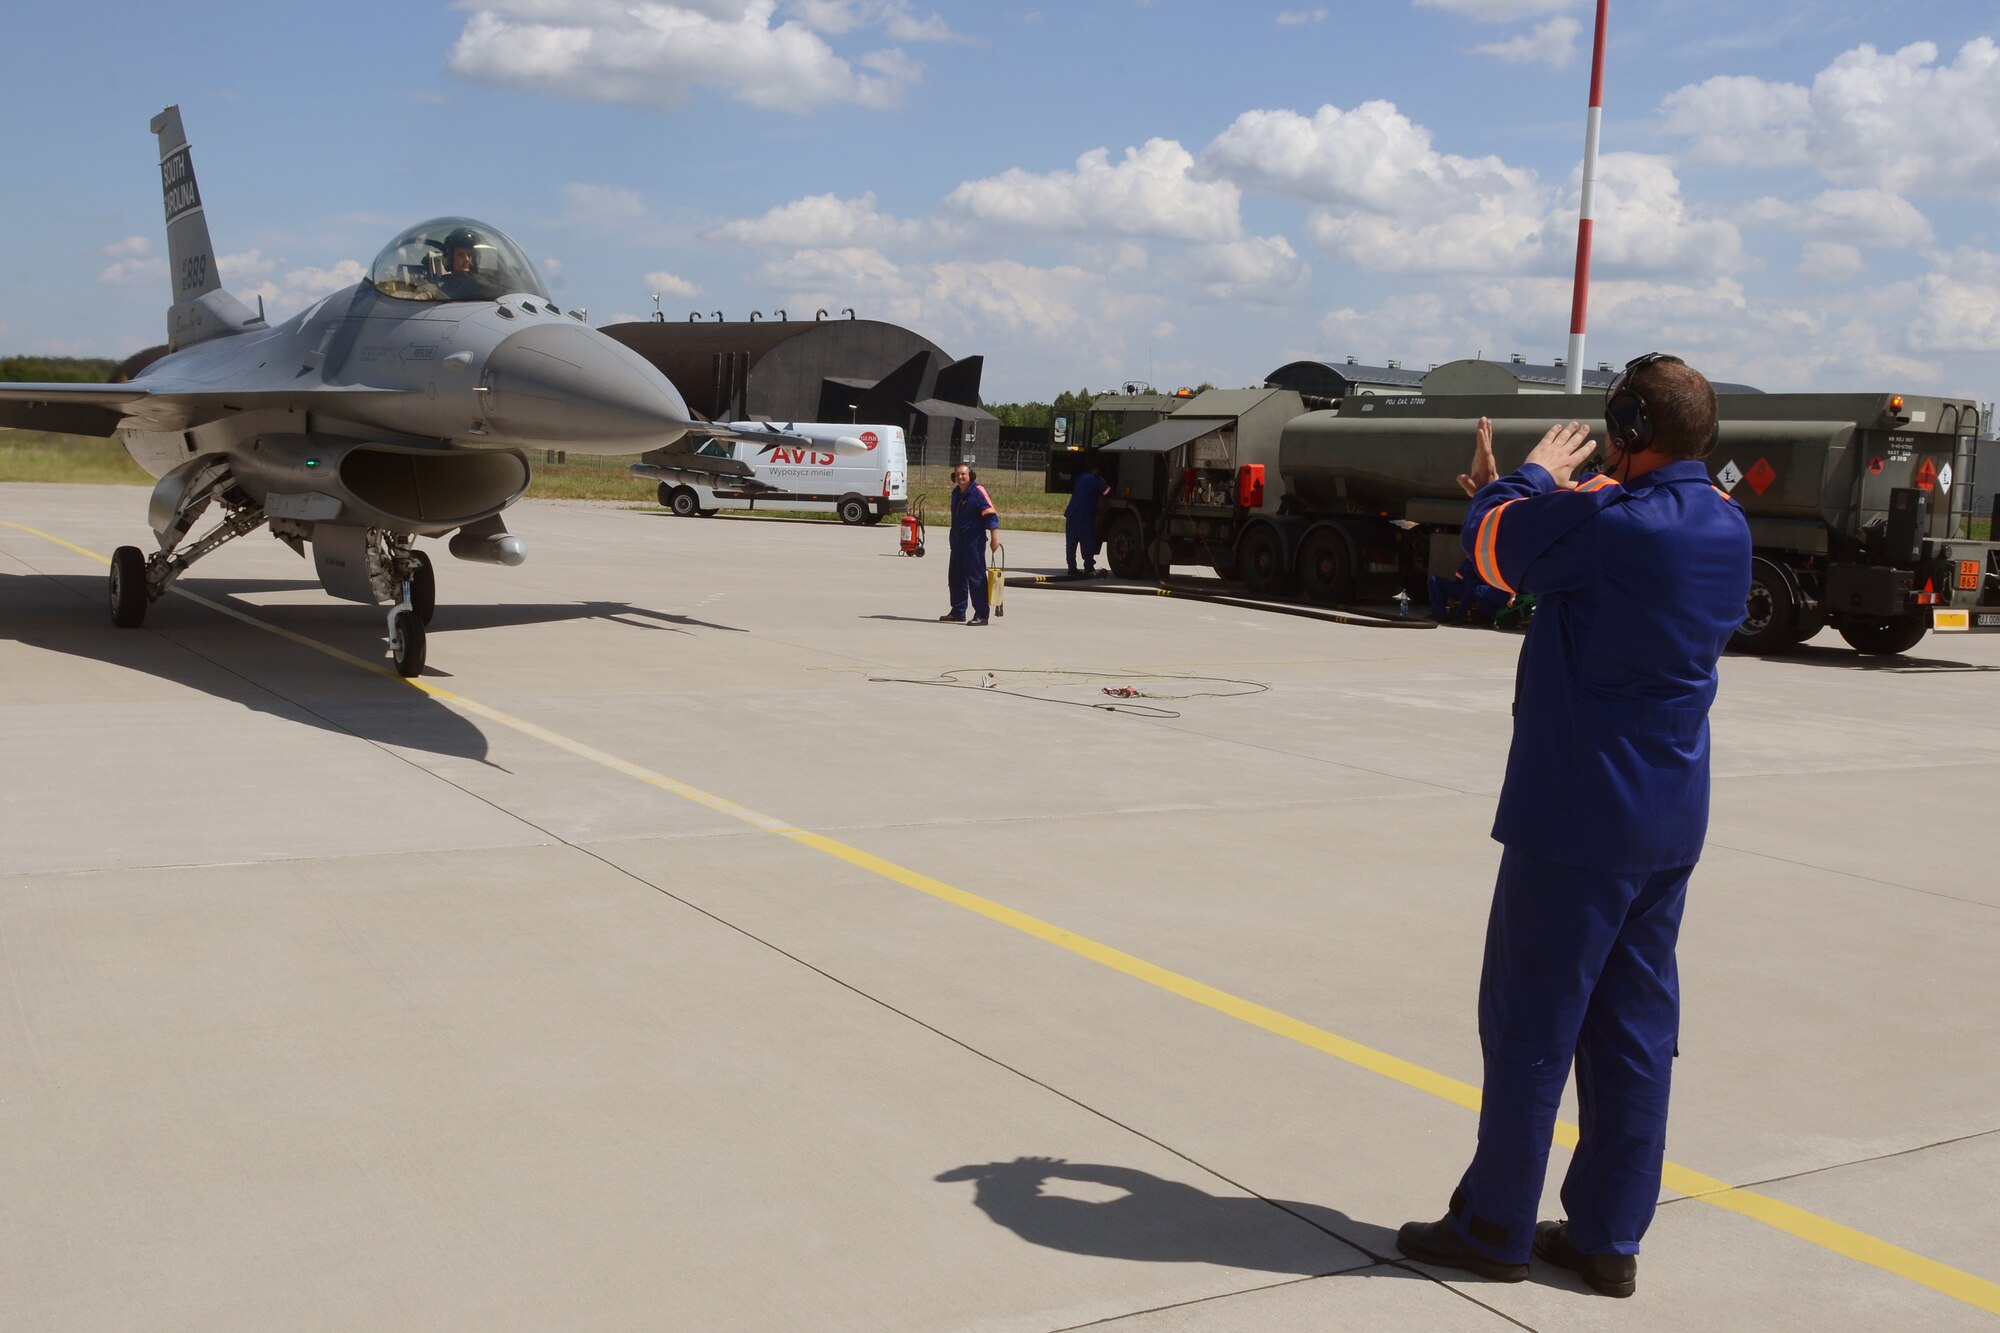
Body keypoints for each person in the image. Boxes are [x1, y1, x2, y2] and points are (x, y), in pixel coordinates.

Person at [1396, 356, 1750, 1299]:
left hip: (1578, 813)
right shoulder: (1725, 523)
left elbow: (1490, 551)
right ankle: (1606, 1235)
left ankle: (1495, 1223)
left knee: (1531, 1023)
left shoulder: (1610, 527)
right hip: (1668, 820)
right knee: (1635, 1032)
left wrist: (1523, 479)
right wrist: (1543, 494)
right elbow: (1580, 525)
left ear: (1628, 425)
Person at [941, 462, 1000, 625]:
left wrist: (995, 536)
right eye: (957, 474)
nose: (960, 477)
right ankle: (958, 611)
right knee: (956, 577)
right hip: (957, 543)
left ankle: (982, 614)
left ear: (970, 475)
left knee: (976, 578)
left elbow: (991, 514)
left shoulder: (978, 491)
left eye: (963, 474)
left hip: (973, 543)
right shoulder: (956, 493)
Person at [1065, 462, 1111, 577]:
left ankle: (1071, 568)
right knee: (1087, 541)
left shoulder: (1080, 477)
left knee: (1071, 542)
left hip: (1071, 513)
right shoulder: (1096, 480)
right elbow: (1106, 492)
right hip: (1084, 515)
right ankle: (1089, 566)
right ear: (1097, 470)